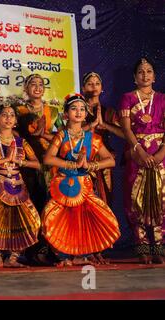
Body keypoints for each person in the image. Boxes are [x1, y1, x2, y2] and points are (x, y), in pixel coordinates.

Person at [42, 93, 120, 266]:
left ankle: (81, 255)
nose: (78, 112)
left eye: (82, 109)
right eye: (74, 108)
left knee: (84, 220)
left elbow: (110, 160)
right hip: (62, 185)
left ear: (86, 114)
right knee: (59, 220)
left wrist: (90, 166)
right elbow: (48, 159)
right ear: (65, 113)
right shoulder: (61, 136)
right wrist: (73, 165)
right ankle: (64, 255)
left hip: (84, 185)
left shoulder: (94, 139)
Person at [0, 104, 41, 269]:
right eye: (4, 115)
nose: (8, 118)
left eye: (12, 115)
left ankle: (12, 258)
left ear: (15, 120)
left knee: (31, 222)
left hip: (18, 187)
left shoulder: (21, 142)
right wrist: (4, 161)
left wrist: (20, 162)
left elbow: (38, 164)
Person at [119, 57, 165, 264]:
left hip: (160, 154)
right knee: (135, 200)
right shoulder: (128, 98)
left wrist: (159, 155)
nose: (145, 75)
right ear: (134, 78)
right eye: (140, 72)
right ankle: (142, 246)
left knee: (160, 199)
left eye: (148, 71)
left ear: (154, 76)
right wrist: (139, 151)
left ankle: (159, 246)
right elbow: (127, 129)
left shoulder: (163, 99)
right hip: (136, 153)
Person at [15, 73, 63, 265]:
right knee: (31, 205)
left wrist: (44, 136)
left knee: (49, 205)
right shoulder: (18, 110)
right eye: (32, 84)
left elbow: (61, 137)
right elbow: (15, 134)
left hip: (49, 165)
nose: (36, 87)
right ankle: (31, 249)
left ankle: (50, 248)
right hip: (28, 164)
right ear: (25, 89)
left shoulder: (53, 111)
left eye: (40, 84)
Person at [81, 72, 124, 205]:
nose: (94, 87)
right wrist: (91, 126)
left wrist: (104, 124)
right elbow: (69, 133)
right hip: (82, 160)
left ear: (102, 88)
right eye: (90, 84)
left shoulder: (108, 112)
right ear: (83, 88)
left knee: (105, 200)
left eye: (97, 84)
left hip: (104, 162)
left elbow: (125, 134)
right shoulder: (77, 110)